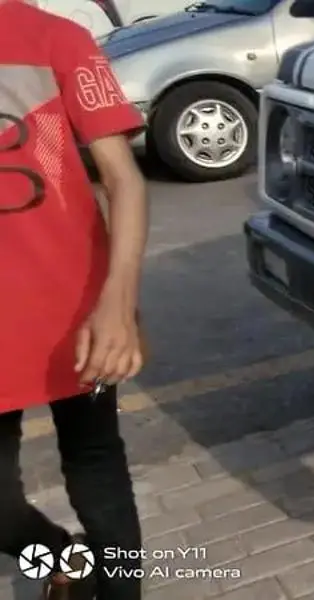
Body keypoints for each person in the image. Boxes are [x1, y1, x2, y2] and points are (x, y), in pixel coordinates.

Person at [0, 0, 150, 598]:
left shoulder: (53, 38)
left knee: (96, 468)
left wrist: (118, 302)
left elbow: (124, 180)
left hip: (74, 311)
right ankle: (67, 561)